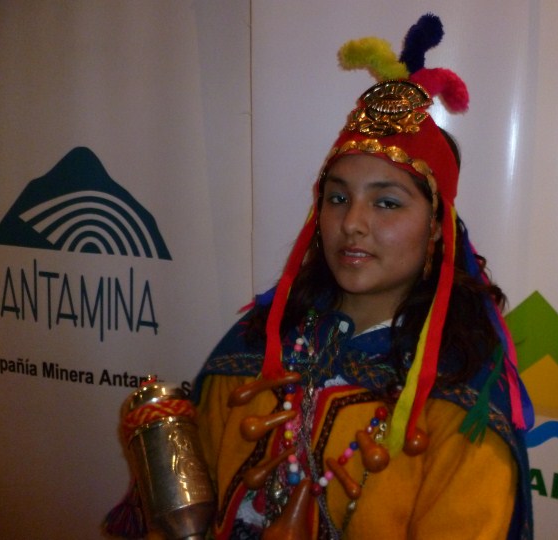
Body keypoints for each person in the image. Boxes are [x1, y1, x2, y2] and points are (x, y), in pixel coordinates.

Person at [192, 14, 534, 540]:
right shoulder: (256, 346)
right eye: (337, 197)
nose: (352, 222)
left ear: (436, 227)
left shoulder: (458, 392)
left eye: (387, 202)